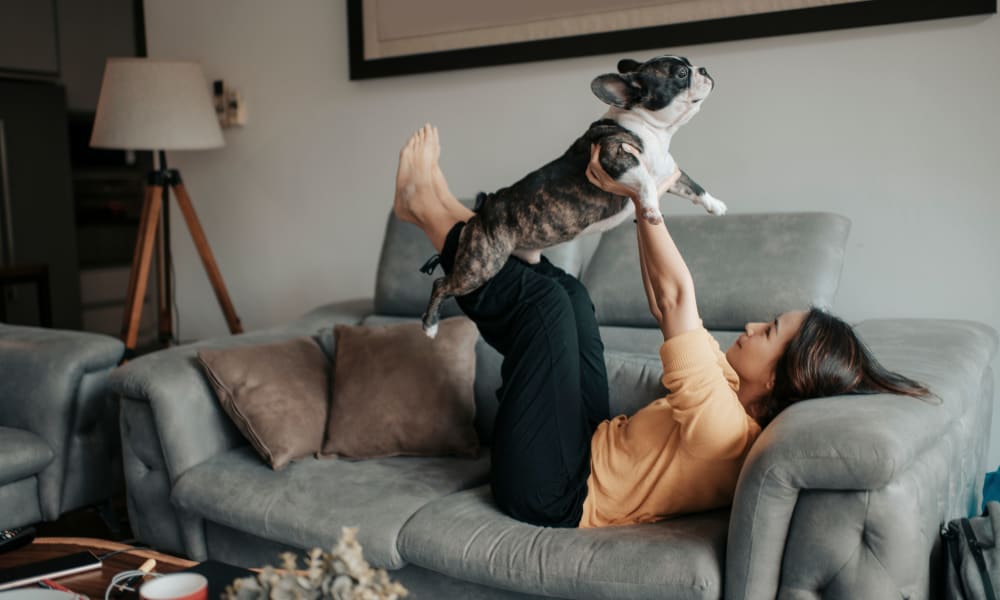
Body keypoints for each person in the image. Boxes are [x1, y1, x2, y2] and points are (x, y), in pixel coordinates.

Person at [393, 124, 929, 529]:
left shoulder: (723, 429)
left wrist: (644, 199)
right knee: (571, 296)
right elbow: (661, 298)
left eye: (769, 333)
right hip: (582, 446)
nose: (750, 324)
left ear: (779, 382)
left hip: (552, 493)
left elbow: (676, 299)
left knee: (544, 311)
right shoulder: (727, 392)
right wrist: (637, 204)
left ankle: (426, 212)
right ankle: (444, 211)